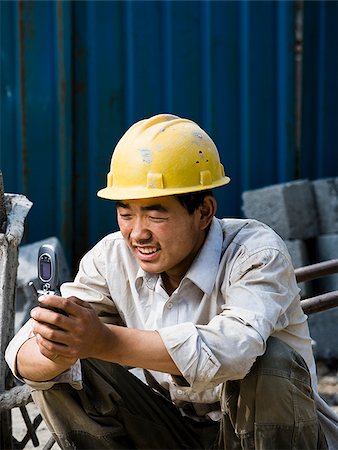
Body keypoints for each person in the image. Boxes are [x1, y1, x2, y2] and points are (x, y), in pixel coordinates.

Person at [5, 114, 338, 449]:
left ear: (205, 212)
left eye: (155, 214)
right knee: (59, 363)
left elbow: (234, 350)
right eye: (125, 214)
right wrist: (57, 348)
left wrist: (104, 340)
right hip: (172, 432)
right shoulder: (111, 257)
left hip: (267, 435)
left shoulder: (255, 252)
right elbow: (22, 352)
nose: (138, 233)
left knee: (270, 360)